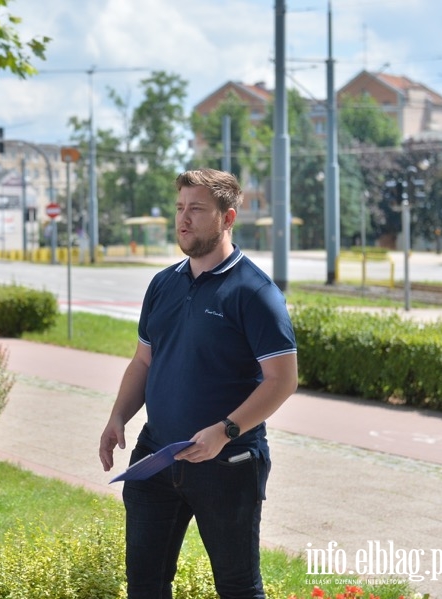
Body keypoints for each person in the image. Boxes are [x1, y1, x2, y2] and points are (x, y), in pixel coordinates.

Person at [98, 168, 298, 599]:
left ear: (227, 219)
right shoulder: (163, 284)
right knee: (145, 586)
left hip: (228, 463)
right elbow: (142, 362)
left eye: (197, 210)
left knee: (238, 587)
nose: (183, 219)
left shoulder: (255, 292)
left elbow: (283, 380)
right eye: (179, 208)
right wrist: (118, 416)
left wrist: (225, 431)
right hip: (157, 457)